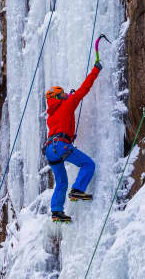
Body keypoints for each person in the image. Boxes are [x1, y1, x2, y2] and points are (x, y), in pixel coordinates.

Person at [43, 61, 103, 223]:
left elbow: (64, 120)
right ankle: (77, 190)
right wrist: (96, 70)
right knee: (88, 164)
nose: (65, 95)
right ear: (57, 97)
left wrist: (68, 98)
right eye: (61, 94)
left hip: (50, 149)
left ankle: (56, 211)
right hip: (61, 145)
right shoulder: (68, 104)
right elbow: (84, 88)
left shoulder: (51, 115)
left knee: (61, 181)